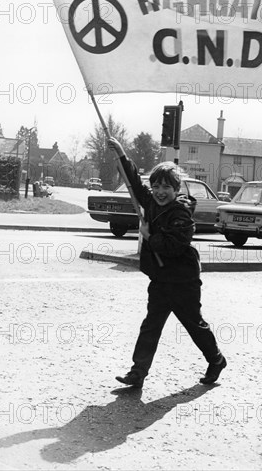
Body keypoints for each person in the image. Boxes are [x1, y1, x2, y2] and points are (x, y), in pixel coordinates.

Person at [107, 137, 227, 388]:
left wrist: (151, 236)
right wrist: (121, 153)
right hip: (161, 279)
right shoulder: (151, 201)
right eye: (156, 187)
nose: (160, 192)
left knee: (195, 326)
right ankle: (138, 372)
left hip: (183, 280)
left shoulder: (181, 212)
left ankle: (216, 360)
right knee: (150, 326)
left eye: (166, 188)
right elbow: (134, 183)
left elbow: (174, 246)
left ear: (177, 190)